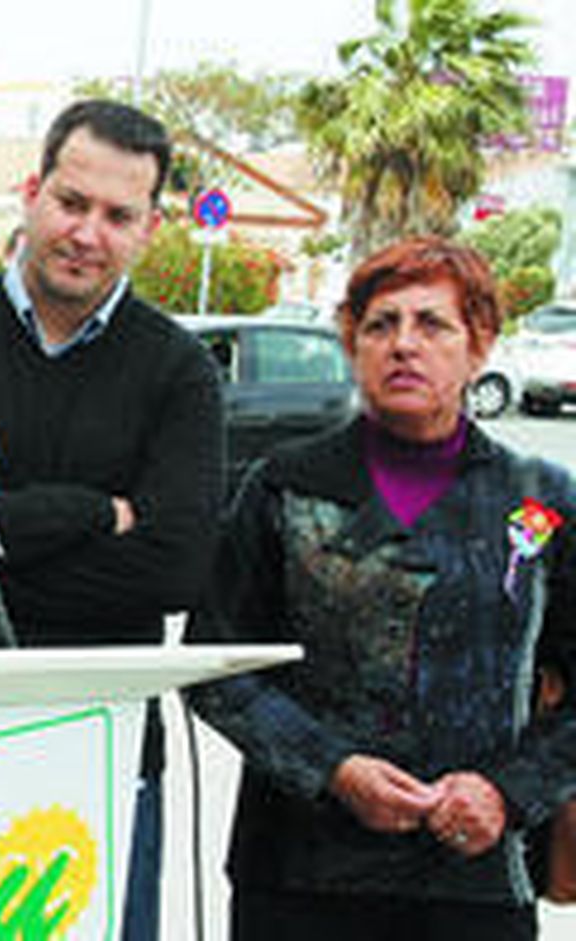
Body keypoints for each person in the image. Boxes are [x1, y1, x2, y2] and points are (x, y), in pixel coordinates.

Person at [0, 98, 224, 941]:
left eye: (117, 215)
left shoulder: (179, 373)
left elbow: (176, 566)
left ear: (149, 228)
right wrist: (92, 512)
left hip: (106, 756)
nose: (87, 232)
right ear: (32, 192)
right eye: (72, 203)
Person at [185, 237, 576, 940]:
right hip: (299, 873)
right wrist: (332, 766)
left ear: (479, 344)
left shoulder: (541, 503)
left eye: (432, 324)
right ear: (352, 342)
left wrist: (507, 792)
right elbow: (215, 667)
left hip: (475, 875)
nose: (404, 344)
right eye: (380, 324)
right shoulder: (284, 485)